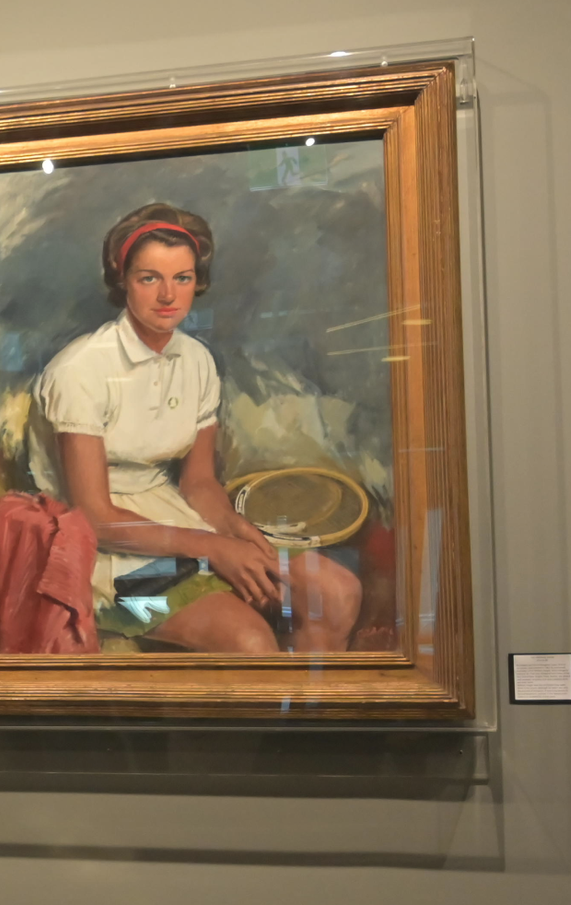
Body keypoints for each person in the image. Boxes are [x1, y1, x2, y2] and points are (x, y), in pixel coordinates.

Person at [30, 203, 360, 653]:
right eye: (150, 278)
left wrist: (235, 531)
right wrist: (212, 549)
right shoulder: (80, 369)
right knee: (248, 641)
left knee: (337, 595)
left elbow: (200, 483)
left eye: (182, 278)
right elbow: (95, 517)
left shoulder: (197, 360)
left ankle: (304, 721)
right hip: (105, 559)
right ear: (123, 280)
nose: (168, 294)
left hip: (177, 521)